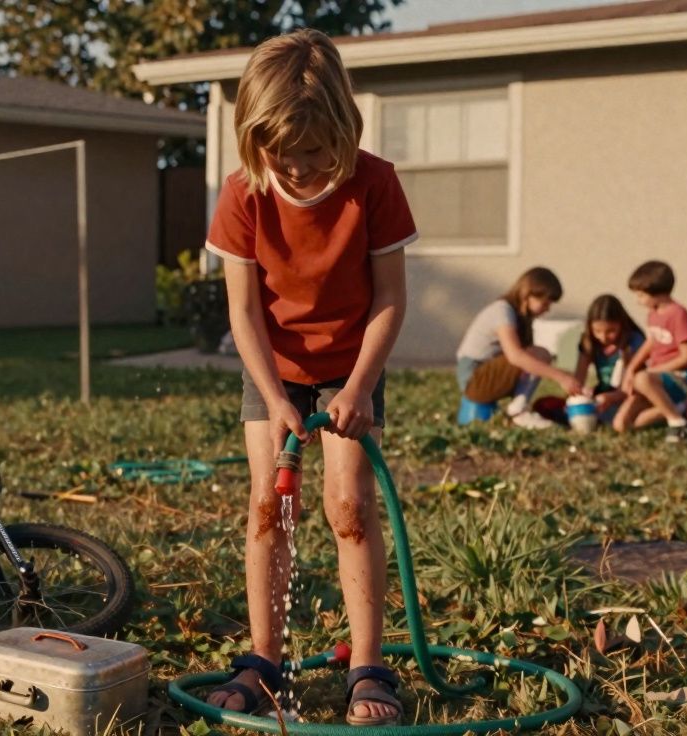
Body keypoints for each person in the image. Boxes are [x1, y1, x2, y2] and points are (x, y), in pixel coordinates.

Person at [202, 29, 414, 726]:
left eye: (317, 155)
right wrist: (273, 398)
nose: (300, 171)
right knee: (271, 506)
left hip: (351, 365)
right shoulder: (244, 194)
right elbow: (242, 311)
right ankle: (263, 659)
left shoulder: (374, 183)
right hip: (275, 368)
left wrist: (355, 389)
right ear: (255, 142)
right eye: (284, 158)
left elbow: (389, 298)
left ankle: (367, 665)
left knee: (348, 506)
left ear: (344, 131)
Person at [455, 268, 584, 429]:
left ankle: (518, 409)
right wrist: (560, 377)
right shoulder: (502, 311)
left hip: (487, 374)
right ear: (527, 295)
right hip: (474, 379)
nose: (547, 309)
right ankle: (518, 412)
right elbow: (515, 356)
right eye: (545, 303)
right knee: (539, 354)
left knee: (537, 356)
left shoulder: (521, 317)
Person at [613, 260, 687, 442]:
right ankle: (683, 409)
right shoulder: (653, 314)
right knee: (621, 425)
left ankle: (678, 424)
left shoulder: (678, 315)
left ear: (657, 293)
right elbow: (651, 343)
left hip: (678, 377)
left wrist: (651, 371)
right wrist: (630, 369)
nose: (638, 301)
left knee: (642, 378)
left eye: (640, 295)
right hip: (655, 380)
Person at [574, 294, 645, 424]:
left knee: (619, 420)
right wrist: (583, 391)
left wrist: (614, 397)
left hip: (630, 395)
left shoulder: (633, 342)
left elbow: (634, 384)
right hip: (604, 394)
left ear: (622, 324)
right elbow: (579, 377)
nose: (603, 337)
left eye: (610, 331)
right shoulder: (589, 342)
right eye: (597, 331)